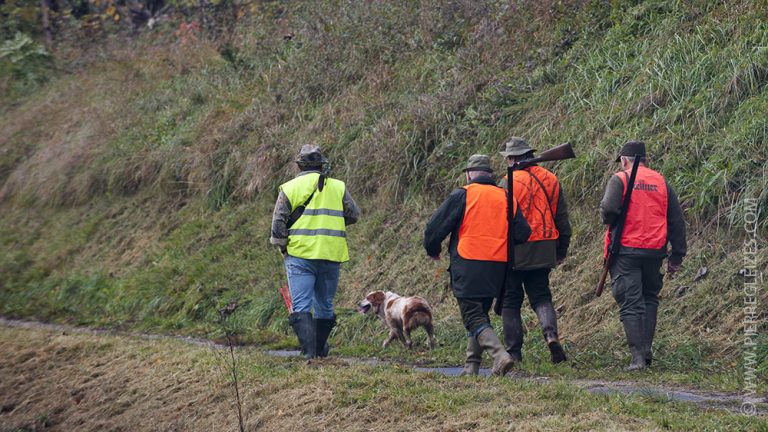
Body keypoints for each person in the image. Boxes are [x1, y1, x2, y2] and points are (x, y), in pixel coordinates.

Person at [424, 154, 531, 376]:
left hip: (468, 263)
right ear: (490, 175)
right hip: (497, 267)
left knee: (472, 315)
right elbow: (523, 233)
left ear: (469, 174)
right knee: (480, 313)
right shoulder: (505, 196)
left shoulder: (463, 194)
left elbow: (434, 228)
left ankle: (500, 356)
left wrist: (433, 250)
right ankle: (471, 367)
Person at [600, 140, 687, 370]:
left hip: (626, 250)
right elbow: (677, 221)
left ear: (624, 160)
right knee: (649, 298)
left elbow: (608, 210)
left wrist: (609, 219)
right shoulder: (661, 182)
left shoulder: (621, 179)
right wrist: (677, 255)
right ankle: (646, 352)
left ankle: (638, 359)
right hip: (655, 252)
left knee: (630, 303)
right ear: (646, 160)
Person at [270, 144, 360, 359]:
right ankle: (320, 351)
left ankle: (309, 354)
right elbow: (354, 214)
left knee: (301, 304)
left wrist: (283, 246)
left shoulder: (290, 188)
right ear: (322, 164)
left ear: (299, 165)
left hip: (300, 255)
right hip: (330, 253)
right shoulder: (338, 186)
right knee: (325, 305)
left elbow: (278, 223)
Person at [497, 137, 571, 364]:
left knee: (511, 299)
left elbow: (501, 221)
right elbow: (562, 219)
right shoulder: (550, 178)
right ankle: (551, 335)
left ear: (512, 158)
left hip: (515, 249)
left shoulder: (507, 182)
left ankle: (514, 352)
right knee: (541, 295)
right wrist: (562, 248)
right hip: (545, 246)